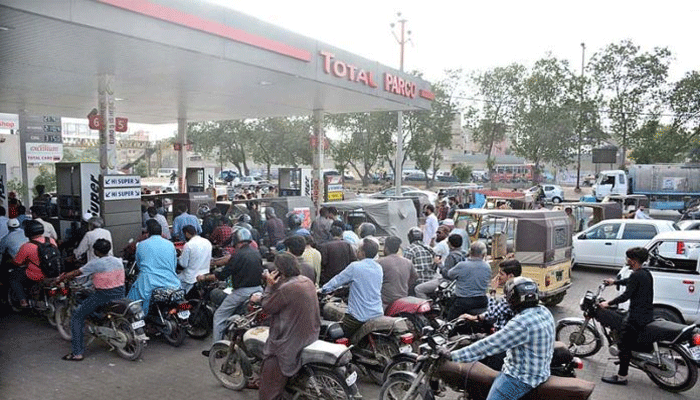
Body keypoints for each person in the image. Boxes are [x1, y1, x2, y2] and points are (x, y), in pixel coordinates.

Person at [442, 277, 555, 400]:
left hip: (521, 378)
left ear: (513, 299)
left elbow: (488, 346)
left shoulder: (521, 323)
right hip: (541, 371)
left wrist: (452, 355)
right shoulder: (544, 311)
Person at [256, 253, 320, 400]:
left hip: (290, 342)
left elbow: (267, 306)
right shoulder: (306, 281)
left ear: (280, 271)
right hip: (311, 333)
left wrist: (269, 286)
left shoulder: (286, 289)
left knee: (267, 391)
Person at [55, 239, 125, 361]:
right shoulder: (118, 261)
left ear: (96, 251)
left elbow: (77, 272)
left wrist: (61, 278)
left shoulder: (95, 263)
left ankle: (77, 353)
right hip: (120, 293)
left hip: (104, 295)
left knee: (77, 316)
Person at [197, 227, 263, 344]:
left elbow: (222, 275)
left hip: (242, 292)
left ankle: (216, 346)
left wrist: (205, 277)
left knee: (219, 315)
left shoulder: (238, 255)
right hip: (259, 290)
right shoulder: (256, 253)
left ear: (237, 242)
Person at [600, 247, 654, 385]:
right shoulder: (645, 273)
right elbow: (630, 282)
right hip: (647, 314)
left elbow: (626, 296)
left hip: (636, 317)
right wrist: (614, 282)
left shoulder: (637, 275)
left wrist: (608, 303)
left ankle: (621, 376)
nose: (627, 261)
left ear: (634, 261)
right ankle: (627, 358)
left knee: (624, 346)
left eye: (628, 258)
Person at [321, 238, 384, 338]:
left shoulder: (355, 267)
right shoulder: (378, 267)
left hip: (358, 316)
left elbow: (337, 281)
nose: (356, 251)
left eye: (358, 250)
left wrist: (323, 289)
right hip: (377, 312)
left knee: (337, 336)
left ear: (362, 253)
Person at [127, 219, 181, 313]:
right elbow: (174, 264)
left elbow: (139, 264)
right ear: (161, 232)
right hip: (171, 281)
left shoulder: (141, 245)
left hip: (148, 282)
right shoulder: (170, 245)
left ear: (147, 233)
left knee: (132, 300)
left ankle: (138, 320)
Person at [460, 259, 522, 330]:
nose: (498, 276)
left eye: (501, 274)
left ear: (510, 276)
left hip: (502, 331)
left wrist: (493, 291)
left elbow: (491, 313)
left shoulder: (512, 295)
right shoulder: (520, 289)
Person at [10, 220, 58, 307]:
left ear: (27, 232)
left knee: (14, 277)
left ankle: (23, 300)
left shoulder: (27, 246)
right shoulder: (51, 240)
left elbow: (17, 262)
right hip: (55, 271)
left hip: (37, 275)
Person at [446, 241, 491, 320]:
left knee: (450, 321)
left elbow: (449, 274)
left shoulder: (462, 265)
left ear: (470, 252)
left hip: (463, 301)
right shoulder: (487, 266)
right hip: (482, 301)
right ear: (484, 254)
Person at [415, 233, 466, 299]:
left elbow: (447, 274)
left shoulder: (452, 256)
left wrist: (439, 263)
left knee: (419, 289)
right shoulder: (463, 255)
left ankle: (426, 307)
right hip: (458, 282)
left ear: (450, 244)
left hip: (447, 282)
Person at [377, 236, 416, 310]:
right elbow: (414, 277)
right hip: (403, 299)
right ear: (398, 249)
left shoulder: (380, 263)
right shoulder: (408, 262)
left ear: (386, 248)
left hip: (385, 302)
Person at [178, 225, 212, 294]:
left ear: (187, 233)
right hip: (204, 274)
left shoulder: (188, 245)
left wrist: (180, 257)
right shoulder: (207, 242)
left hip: (190, 277)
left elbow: (183, 264)